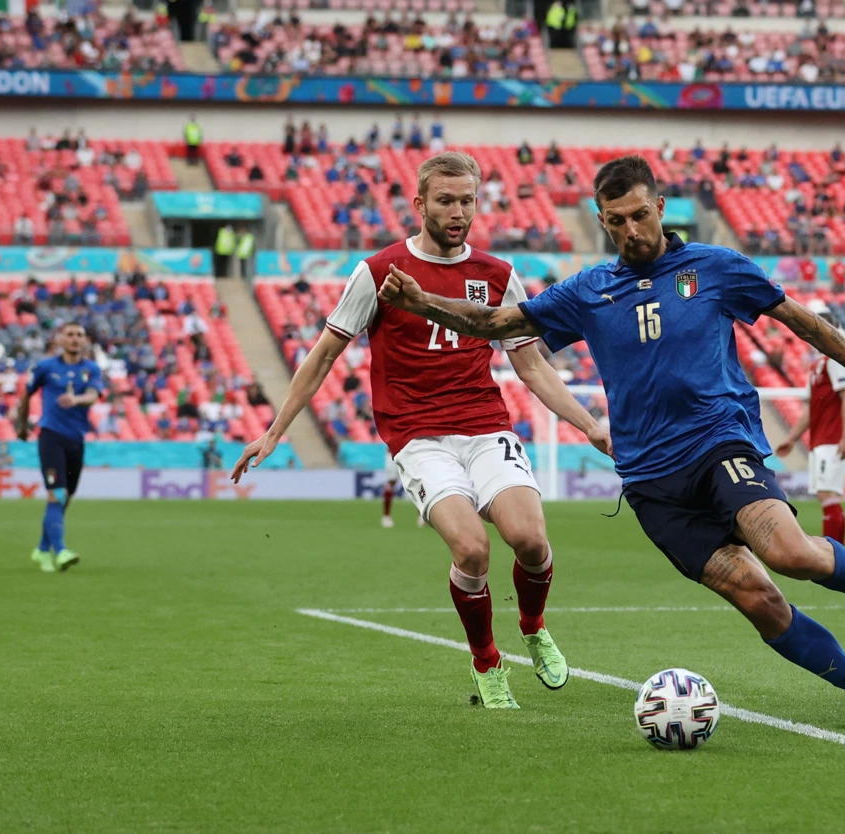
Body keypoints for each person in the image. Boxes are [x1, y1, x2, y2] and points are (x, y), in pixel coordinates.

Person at [377, 154, 845, 733]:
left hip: (720, 445)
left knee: (789, 553)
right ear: (602, 221)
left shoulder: (715, 267)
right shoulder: (588, 290)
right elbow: (493, 324)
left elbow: (806, 323)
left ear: (661, 207)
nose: (631, 230)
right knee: (760, 600)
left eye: (639, 215)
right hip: (651, 483)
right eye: (615, 221)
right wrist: (422, 301)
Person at [232, 152, 612, 709]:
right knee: (473, 550)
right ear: (420, 204)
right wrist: (274, 431)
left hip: (484, 425)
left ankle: (533, 626)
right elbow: (324, 355)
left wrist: (591, 427)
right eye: (445, 200)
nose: (458, 212)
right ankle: (487, 661)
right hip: (418, 435)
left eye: (467, 201)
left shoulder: (497, 276)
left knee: (531, 541)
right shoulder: (380, 271)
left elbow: (531, 366)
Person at [14, 322, 105, 573]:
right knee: (57, 494)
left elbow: (94, 395)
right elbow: (26, 394)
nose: (75, 339)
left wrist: (77, 399)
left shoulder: (91, 368)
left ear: (85, 341)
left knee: (65, 498)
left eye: (79, 335)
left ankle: (42, 550)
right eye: (70, 334)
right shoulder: (45, 367)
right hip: (51, 436)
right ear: (60, 340)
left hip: (76, 440)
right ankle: (61, 550)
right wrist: (22, 425)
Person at [775, 311, 845, 542]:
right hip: (819, 439)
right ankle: (835, 552)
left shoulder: (837, 358)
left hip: (833, 439)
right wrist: (792, 439)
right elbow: (812, 409)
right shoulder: (817, 365)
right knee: (825, 495)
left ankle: (836, 553)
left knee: (828, 494)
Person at [380, 448, 425, 529]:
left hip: (410, 451)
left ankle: (422, 516)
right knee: (391, 482)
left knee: (417, 482)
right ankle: (386, 516)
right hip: (393, 452)